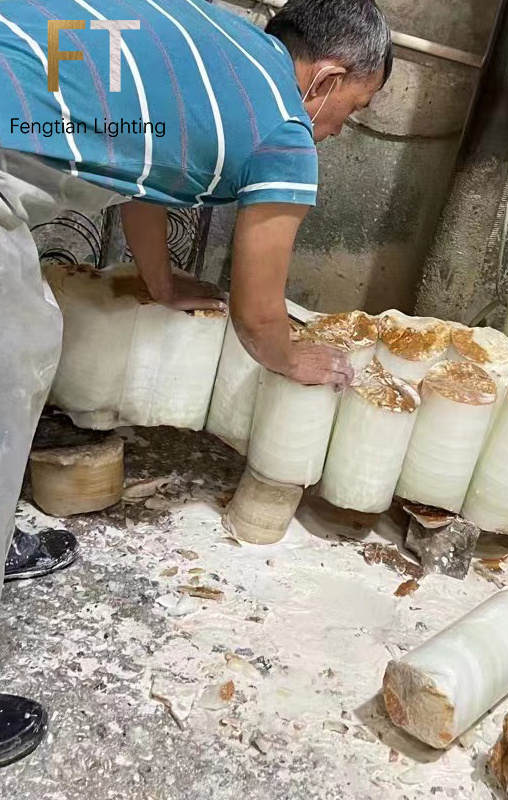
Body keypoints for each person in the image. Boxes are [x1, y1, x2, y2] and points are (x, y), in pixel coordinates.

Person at [0, 0, 392, 766]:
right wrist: (294, 357)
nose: (342, 130)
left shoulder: (221, 48)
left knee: (27, 336)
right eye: (356, 109)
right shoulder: (284, 129)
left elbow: (145, 177)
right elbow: (257, 312)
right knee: (9, 357)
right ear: (329, 78)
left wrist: (160, 279)